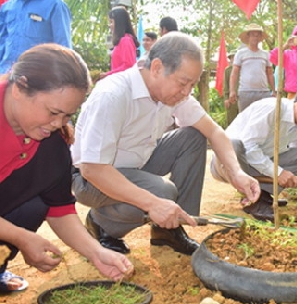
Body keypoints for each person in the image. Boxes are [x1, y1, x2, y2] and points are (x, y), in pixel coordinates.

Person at [71, 32, 260, 256]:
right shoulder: (113, 95)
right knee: (161, 192)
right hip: (90, 178)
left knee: (193, 137)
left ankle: (170, 229)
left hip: (137, 165)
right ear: (157, 68)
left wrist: (236, 173)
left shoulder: (172, 95)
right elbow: (92, 168)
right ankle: (102, 223)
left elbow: (215, 132)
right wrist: (153, 203)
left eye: (192, 84)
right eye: (183, 83)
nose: (187, 92)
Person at [0, 44, 133, 293]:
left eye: (67, 116)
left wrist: (96, 252)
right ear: (19, 88)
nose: (57, 124)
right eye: (53, 112)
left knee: (34, 205)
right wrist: (21, 237)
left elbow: (59, 207)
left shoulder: (51, 141)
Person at [211, 82, 297, 222]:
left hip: (254, 166)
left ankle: (261, 195)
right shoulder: (271, 109)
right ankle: (254, 200)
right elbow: (249, 147)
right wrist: (278, 172)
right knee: (235, 144)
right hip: (226, 163)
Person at [0, 0, 72, 74]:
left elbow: (64, 48)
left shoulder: (55, 5)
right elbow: (2, 42)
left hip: (37, 75)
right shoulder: (7, 7)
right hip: (5, 73)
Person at [229, 24, 275, 113]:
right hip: (245, 92)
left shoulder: (265, 54)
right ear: (248, 37)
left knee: (263, 119)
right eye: (253, 35)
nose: (255, 37)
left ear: (260, 38)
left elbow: (270, 73)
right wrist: (232, 91)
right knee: (244, 119)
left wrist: (274, 90)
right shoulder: (240, 53)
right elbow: (234, 73)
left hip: (263, 92)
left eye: (258, 35)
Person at [100, 7, 140, 79]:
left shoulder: (126, 40)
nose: (110, 25)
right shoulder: (122, 40)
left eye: (111, 22)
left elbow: (128, 66)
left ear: (119, 23)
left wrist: (108, 74)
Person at [224, 49, 239, 126]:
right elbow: (226, 85)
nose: (233, 59)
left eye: (235, 57)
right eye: (232, 57)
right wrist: (226, 98)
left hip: (242, 97)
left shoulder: (243, 69)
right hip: (231, 99)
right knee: (231, 121)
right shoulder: (227, 70)